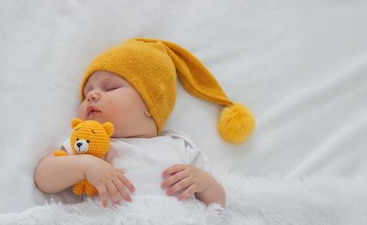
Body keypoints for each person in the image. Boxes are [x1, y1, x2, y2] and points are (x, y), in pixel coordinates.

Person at [34, 38, 255, 208]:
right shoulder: (90, 143)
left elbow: (219, 202)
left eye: (109, 88)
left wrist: (203, 182)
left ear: (150, 103)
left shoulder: (178, 144)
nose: (91, 95)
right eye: (87, 92)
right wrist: (87, 167)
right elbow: (43, 177)